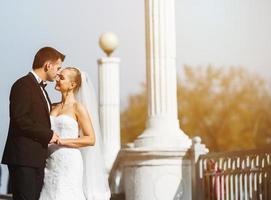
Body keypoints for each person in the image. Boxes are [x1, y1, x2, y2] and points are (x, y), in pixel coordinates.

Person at [1, 47, 65, 200]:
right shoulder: (22, 85)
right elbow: (19, 119)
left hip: (37, 159)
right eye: (58, 67)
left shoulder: (41, 89)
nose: (58, 72)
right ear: (48, 65)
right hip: (24, 159)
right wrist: (48, 135)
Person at [39, 67, 111, 200]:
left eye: (62, 77)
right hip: (50, 161)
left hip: (69, 162)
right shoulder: (52, 106)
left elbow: (91, 139)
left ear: (72, 85)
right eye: (58, 76)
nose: (57, 79)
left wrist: (62, 141)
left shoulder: (78, 107)